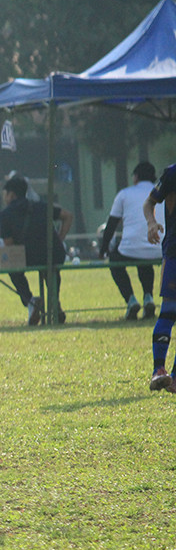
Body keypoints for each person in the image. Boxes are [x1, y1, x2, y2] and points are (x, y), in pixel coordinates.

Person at [0, 175, 74, 326]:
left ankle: (30, 301)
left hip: (29, 256)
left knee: (12, 268)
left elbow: (10, 245)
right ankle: (54, 301)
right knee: (51, 269)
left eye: (5, 194)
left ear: (11, 195)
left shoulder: (5, 214)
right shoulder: (41, 206)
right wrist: (59, 238)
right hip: (54, 254)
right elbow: (68, 216)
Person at [100, 161, 163, 320]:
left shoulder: (125, 194)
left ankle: (130, 299)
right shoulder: (161, 192)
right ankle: (148, 296)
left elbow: (111, 224)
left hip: (131, 249)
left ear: (135, 177)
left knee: (116, 261)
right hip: (160, 248)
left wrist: (103, 249)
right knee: (145, 260)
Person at [143, 163, 176, 392]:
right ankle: (159, 370)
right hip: (175, 252)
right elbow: (149, 203)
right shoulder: (172, 173)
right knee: (169, 310)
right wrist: (151, 222)